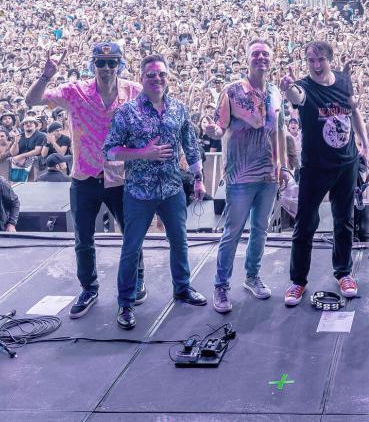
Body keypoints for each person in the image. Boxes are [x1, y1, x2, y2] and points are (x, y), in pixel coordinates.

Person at [25, 43, 144, 319]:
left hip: (121, 177)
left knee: (132, 235)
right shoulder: (74, 91)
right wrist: (46, 75)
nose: (106, 68)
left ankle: (137, 281)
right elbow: (32, 101)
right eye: (101, 63)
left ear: (120, 64)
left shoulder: (133, 91)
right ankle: (89, 288)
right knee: (83, 239)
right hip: (84, 176)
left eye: (112, 62)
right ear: (93, 64)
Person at [103, 55, 207, 330]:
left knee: (180, 241)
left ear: (167, 77)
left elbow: (191, 144)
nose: (157, 79)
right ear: (141, 78)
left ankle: (182, 288)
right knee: (131, 247)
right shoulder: (127, 112)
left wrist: (198, 178)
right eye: (150, 75)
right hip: (139, 192)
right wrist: (142, 153)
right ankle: (125, 303)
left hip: (172, 188)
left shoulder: (179, 109)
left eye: (161, 74)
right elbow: (110, 151)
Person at [279, 40, 369, 306]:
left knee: (344, 221)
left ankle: (343, 273)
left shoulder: (343, 80)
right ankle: (298, 281)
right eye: (311, 61)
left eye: (321, 60)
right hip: (315, 166)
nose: (316, 66)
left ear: (330, 59)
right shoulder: (304, 87)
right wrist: (288, 89)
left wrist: (365, 143)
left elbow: (354, 111)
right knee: (305, 223)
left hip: (346, 163)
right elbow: (298, 97)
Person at [204, 39, 290, 313]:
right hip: (240, 175)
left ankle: (252, 277)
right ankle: (221, 285)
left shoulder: (276, 93)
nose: (261, 58)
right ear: (247, 59)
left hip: (268, 174)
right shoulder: (232, 91)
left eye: (266, 53)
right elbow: (220, 127)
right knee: (233, 231)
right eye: (256, 54)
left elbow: (279, 132)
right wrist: (211, 131)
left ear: (271, 59)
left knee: (260, 230)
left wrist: (283, 166)